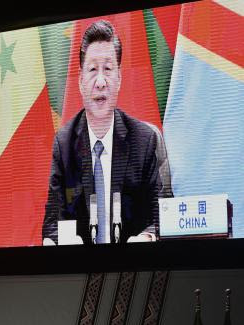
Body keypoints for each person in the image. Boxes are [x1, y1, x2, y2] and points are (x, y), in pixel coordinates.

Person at [42, 20, 161, 246]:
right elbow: (51, 223)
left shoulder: (143, 140)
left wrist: (146, 237)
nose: (100, 82)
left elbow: (161, 213)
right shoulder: (65, 144)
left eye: (107, 69)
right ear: (80, 81)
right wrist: (62, 241)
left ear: (119, 79)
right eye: (92, 70)